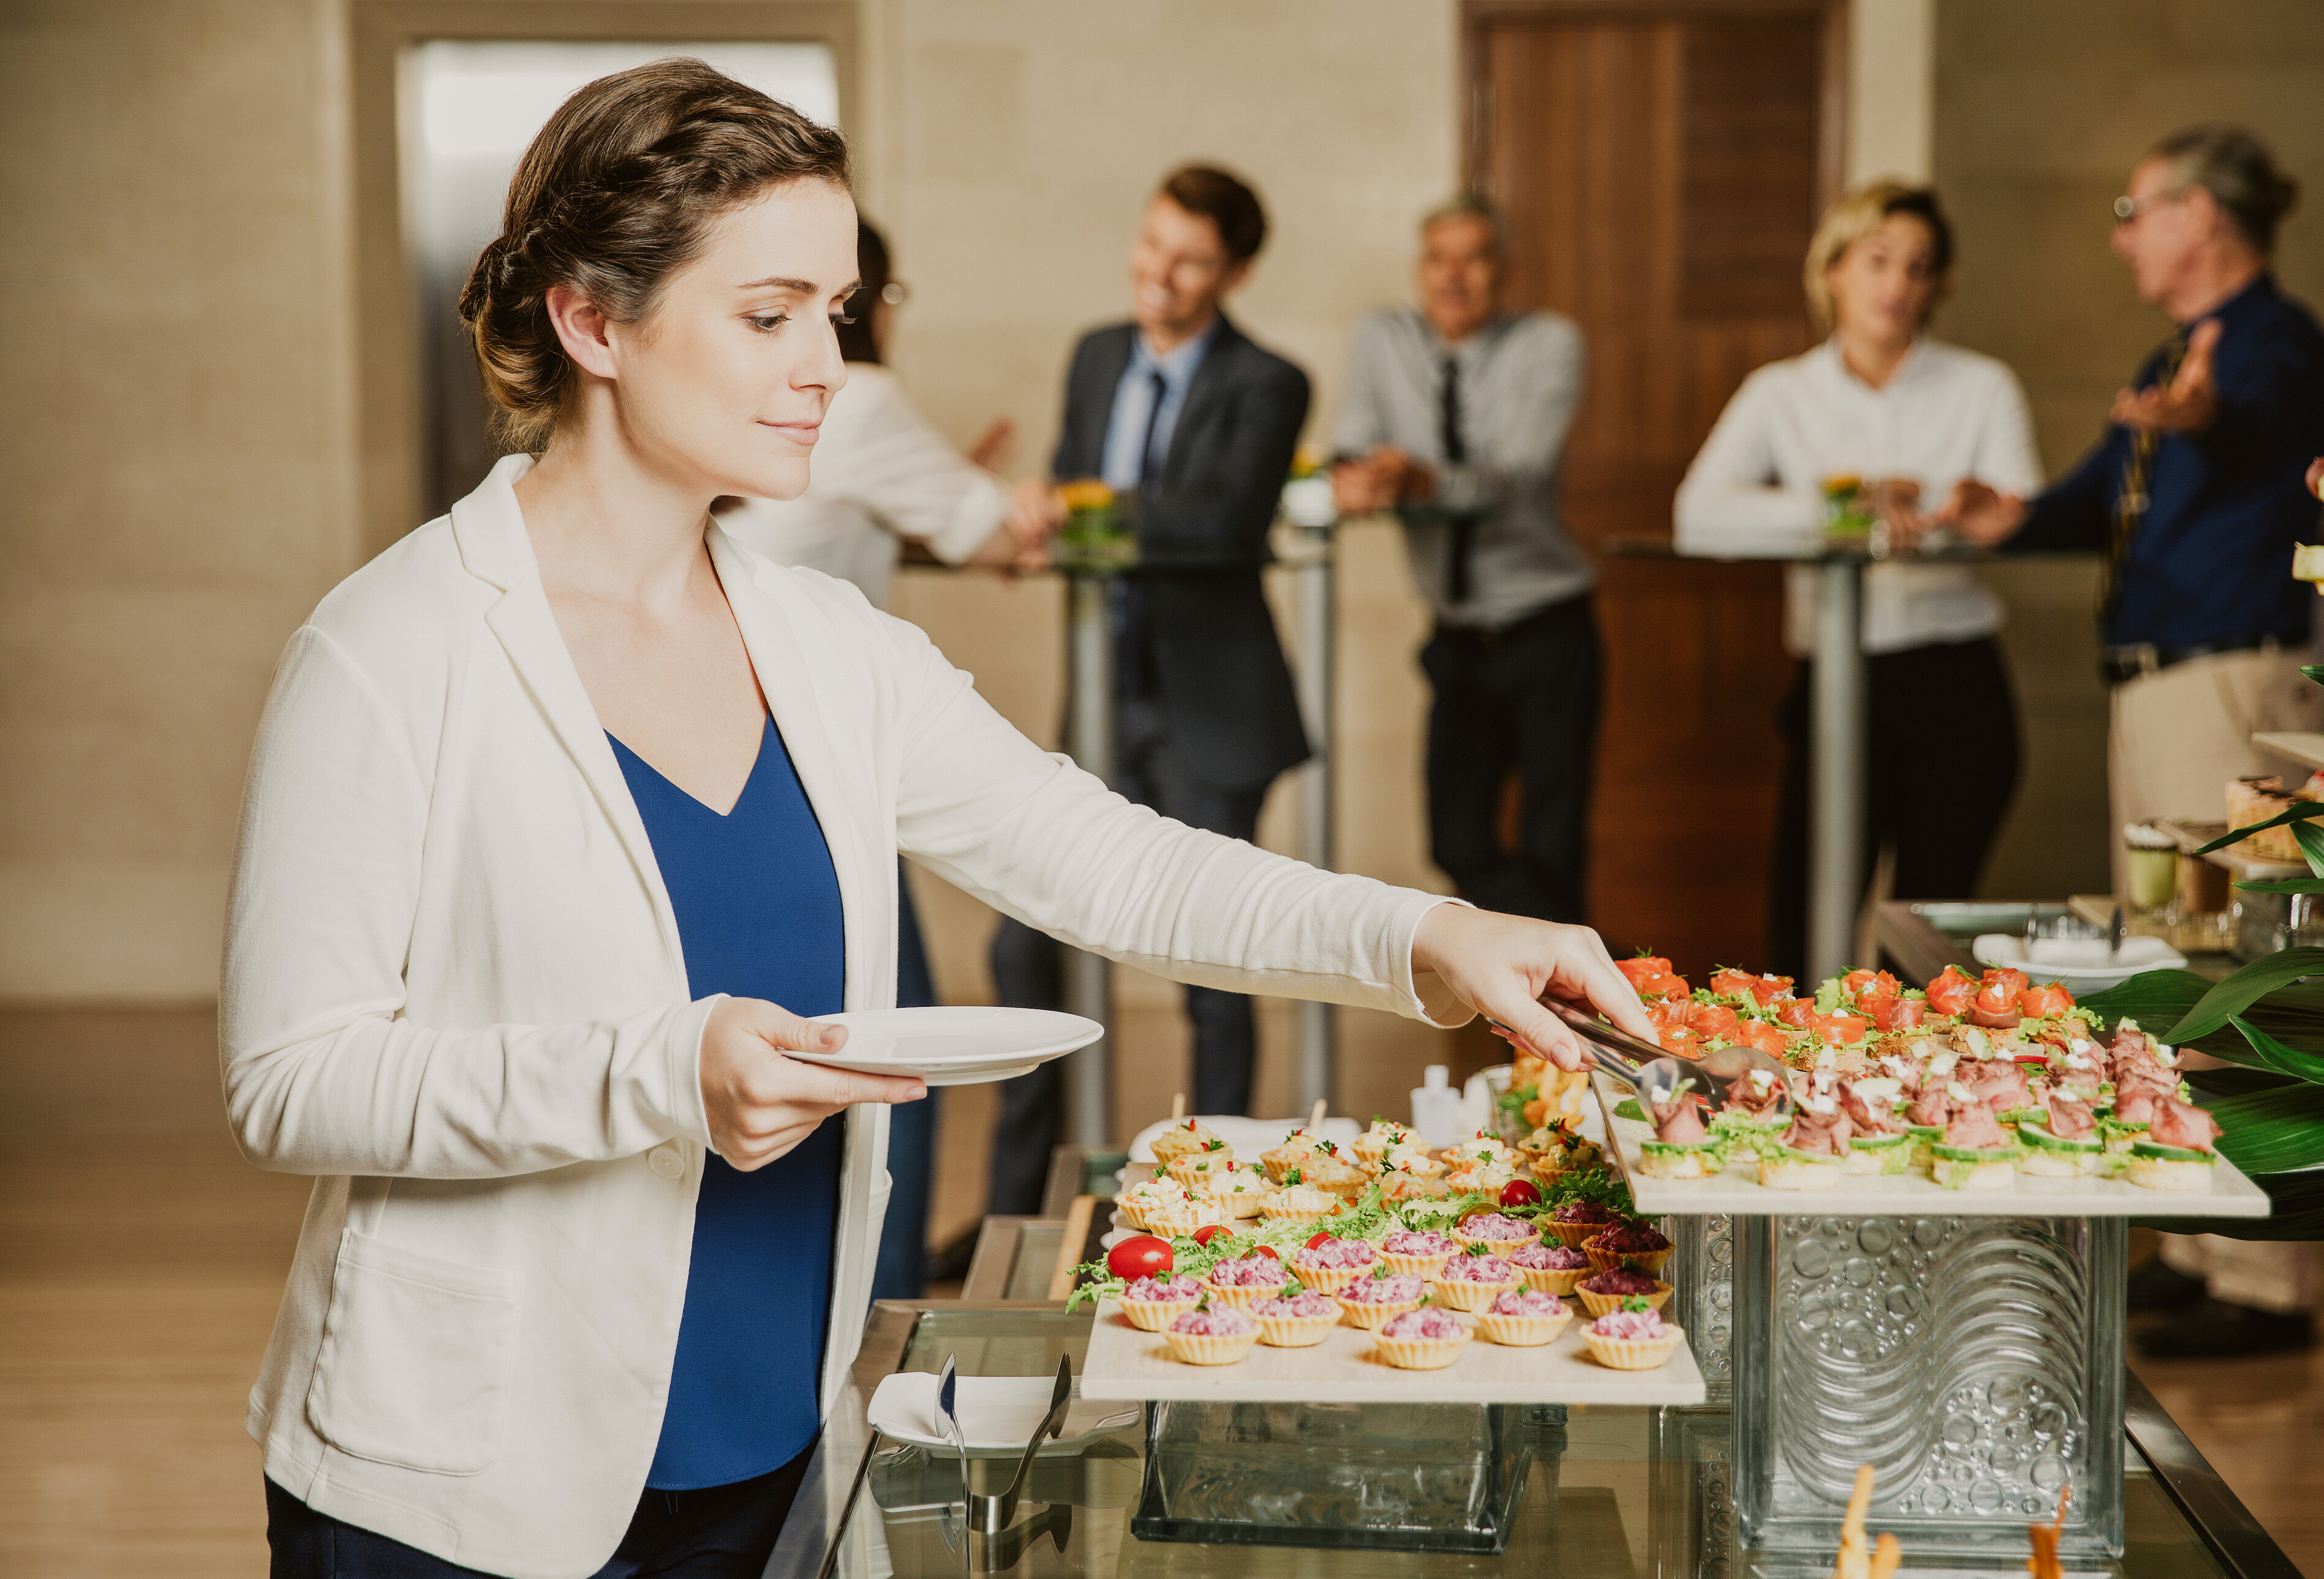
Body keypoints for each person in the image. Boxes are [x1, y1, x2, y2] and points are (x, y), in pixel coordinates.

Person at [225, 61, 1654, 1578]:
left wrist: (1431, 931)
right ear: (592, 323)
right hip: (453, 1487)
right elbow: (291, 1079)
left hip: (777, 1449)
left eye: (837, 312)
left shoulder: (830, 644)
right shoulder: (392, 646)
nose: (828, 366)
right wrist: (659, 1072)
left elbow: (1111, 863)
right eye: (769, 314)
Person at [1939, 126, 2324, 1360]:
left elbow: (2256, 426)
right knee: (2176, 962)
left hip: (2226, 684)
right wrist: (2004, 518)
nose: (2118, 233)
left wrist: (2203, 408)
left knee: (2243, 957)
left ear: (2200, 215)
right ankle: (2190, 1237)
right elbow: (2093, 490)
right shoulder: (2172, 354)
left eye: (2135, 207)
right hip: (2156, 686)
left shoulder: (2272, 345)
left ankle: (2263, 1282)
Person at [719, 218, 1060, 1300]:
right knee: (892, 1042)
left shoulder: (747, 408)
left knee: (800, 1039)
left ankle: (825, 1289)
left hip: (744, 757)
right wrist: (1007, 501)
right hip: (804, 763)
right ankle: (885, 1304)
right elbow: (997, 533)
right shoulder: (855, 395)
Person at [986, 166, 1311, 1217]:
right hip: (1099, 694)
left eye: (1188, 260)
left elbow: (1220, 525)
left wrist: (1085, 504)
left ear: (1234, 272)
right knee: (1022, 943)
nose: (1157, 274)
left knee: (1211, 968)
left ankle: (1214, 1205)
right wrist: (1042, 500)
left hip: (1211, 710)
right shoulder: (1092, 355)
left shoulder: (1270, 381)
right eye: (1150, 245)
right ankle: (1023, 1205)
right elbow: (1073, 483)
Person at [1675, 181, 2042, 980]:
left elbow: (2024, 512)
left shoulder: (1982, 386)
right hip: (1836, 683)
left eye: (1918, 267)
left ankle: (1909, 1096)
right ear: (1832, 270)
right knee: (1802, 920)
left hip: (1956, 679)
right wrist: (1844, 505)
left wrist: (1977, 512)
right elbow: (1697, 514)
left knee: (1924, 937)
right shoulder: (1781, 392)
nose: (1898, 285)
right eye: (1878, 261)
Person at [1331, 196, 1598, 926]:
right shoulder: (1384, 337)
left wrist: (1420, 481)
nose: (1454, 276)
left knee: (1552, 845)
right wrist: (1357, 476)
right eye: (1438, 259)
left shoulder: (1550, 343)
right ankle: (1550, 954)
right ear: (1419, 270)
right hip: (1454, 636)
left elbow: (1515, 476)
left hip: (1547, 628)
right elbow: (1351, 438)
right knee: (1456, 840)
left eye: (1474, 258)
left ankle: (1570, 1019)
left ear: (1503, 270)